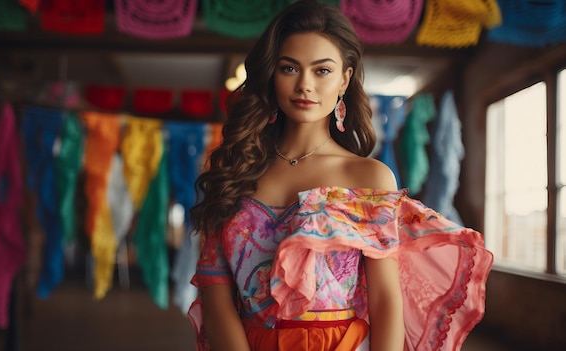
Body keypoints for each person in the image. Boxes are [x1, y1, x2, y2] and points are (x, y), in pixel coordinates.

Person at [188, 1, 493, 350]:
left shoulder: (369, 177)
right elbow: (215, 295)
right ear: (271, 75)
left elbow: (385, 302)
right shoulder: (231, 171)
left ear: (344, 79)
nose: (305, 84)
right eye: (289, 68)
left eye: (322, 71)